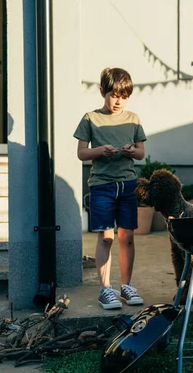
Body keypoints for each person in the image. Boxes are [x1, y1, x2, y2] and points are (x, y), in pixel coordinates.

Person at [74, 67, 147, 310]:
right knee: (105, 238)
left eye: (124, 96)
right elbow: (82, 153)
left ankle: (126, 285)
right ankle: (106, 289)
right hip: (101, 186)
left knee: (127, 237)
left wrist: (131, 151)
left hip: (127, 185)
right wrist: (100, 150)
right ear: (102, 91)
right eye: (114, 95)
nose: (118, 101)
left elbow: (141, 152)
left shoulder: (134, 119)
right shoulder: (90, 118)